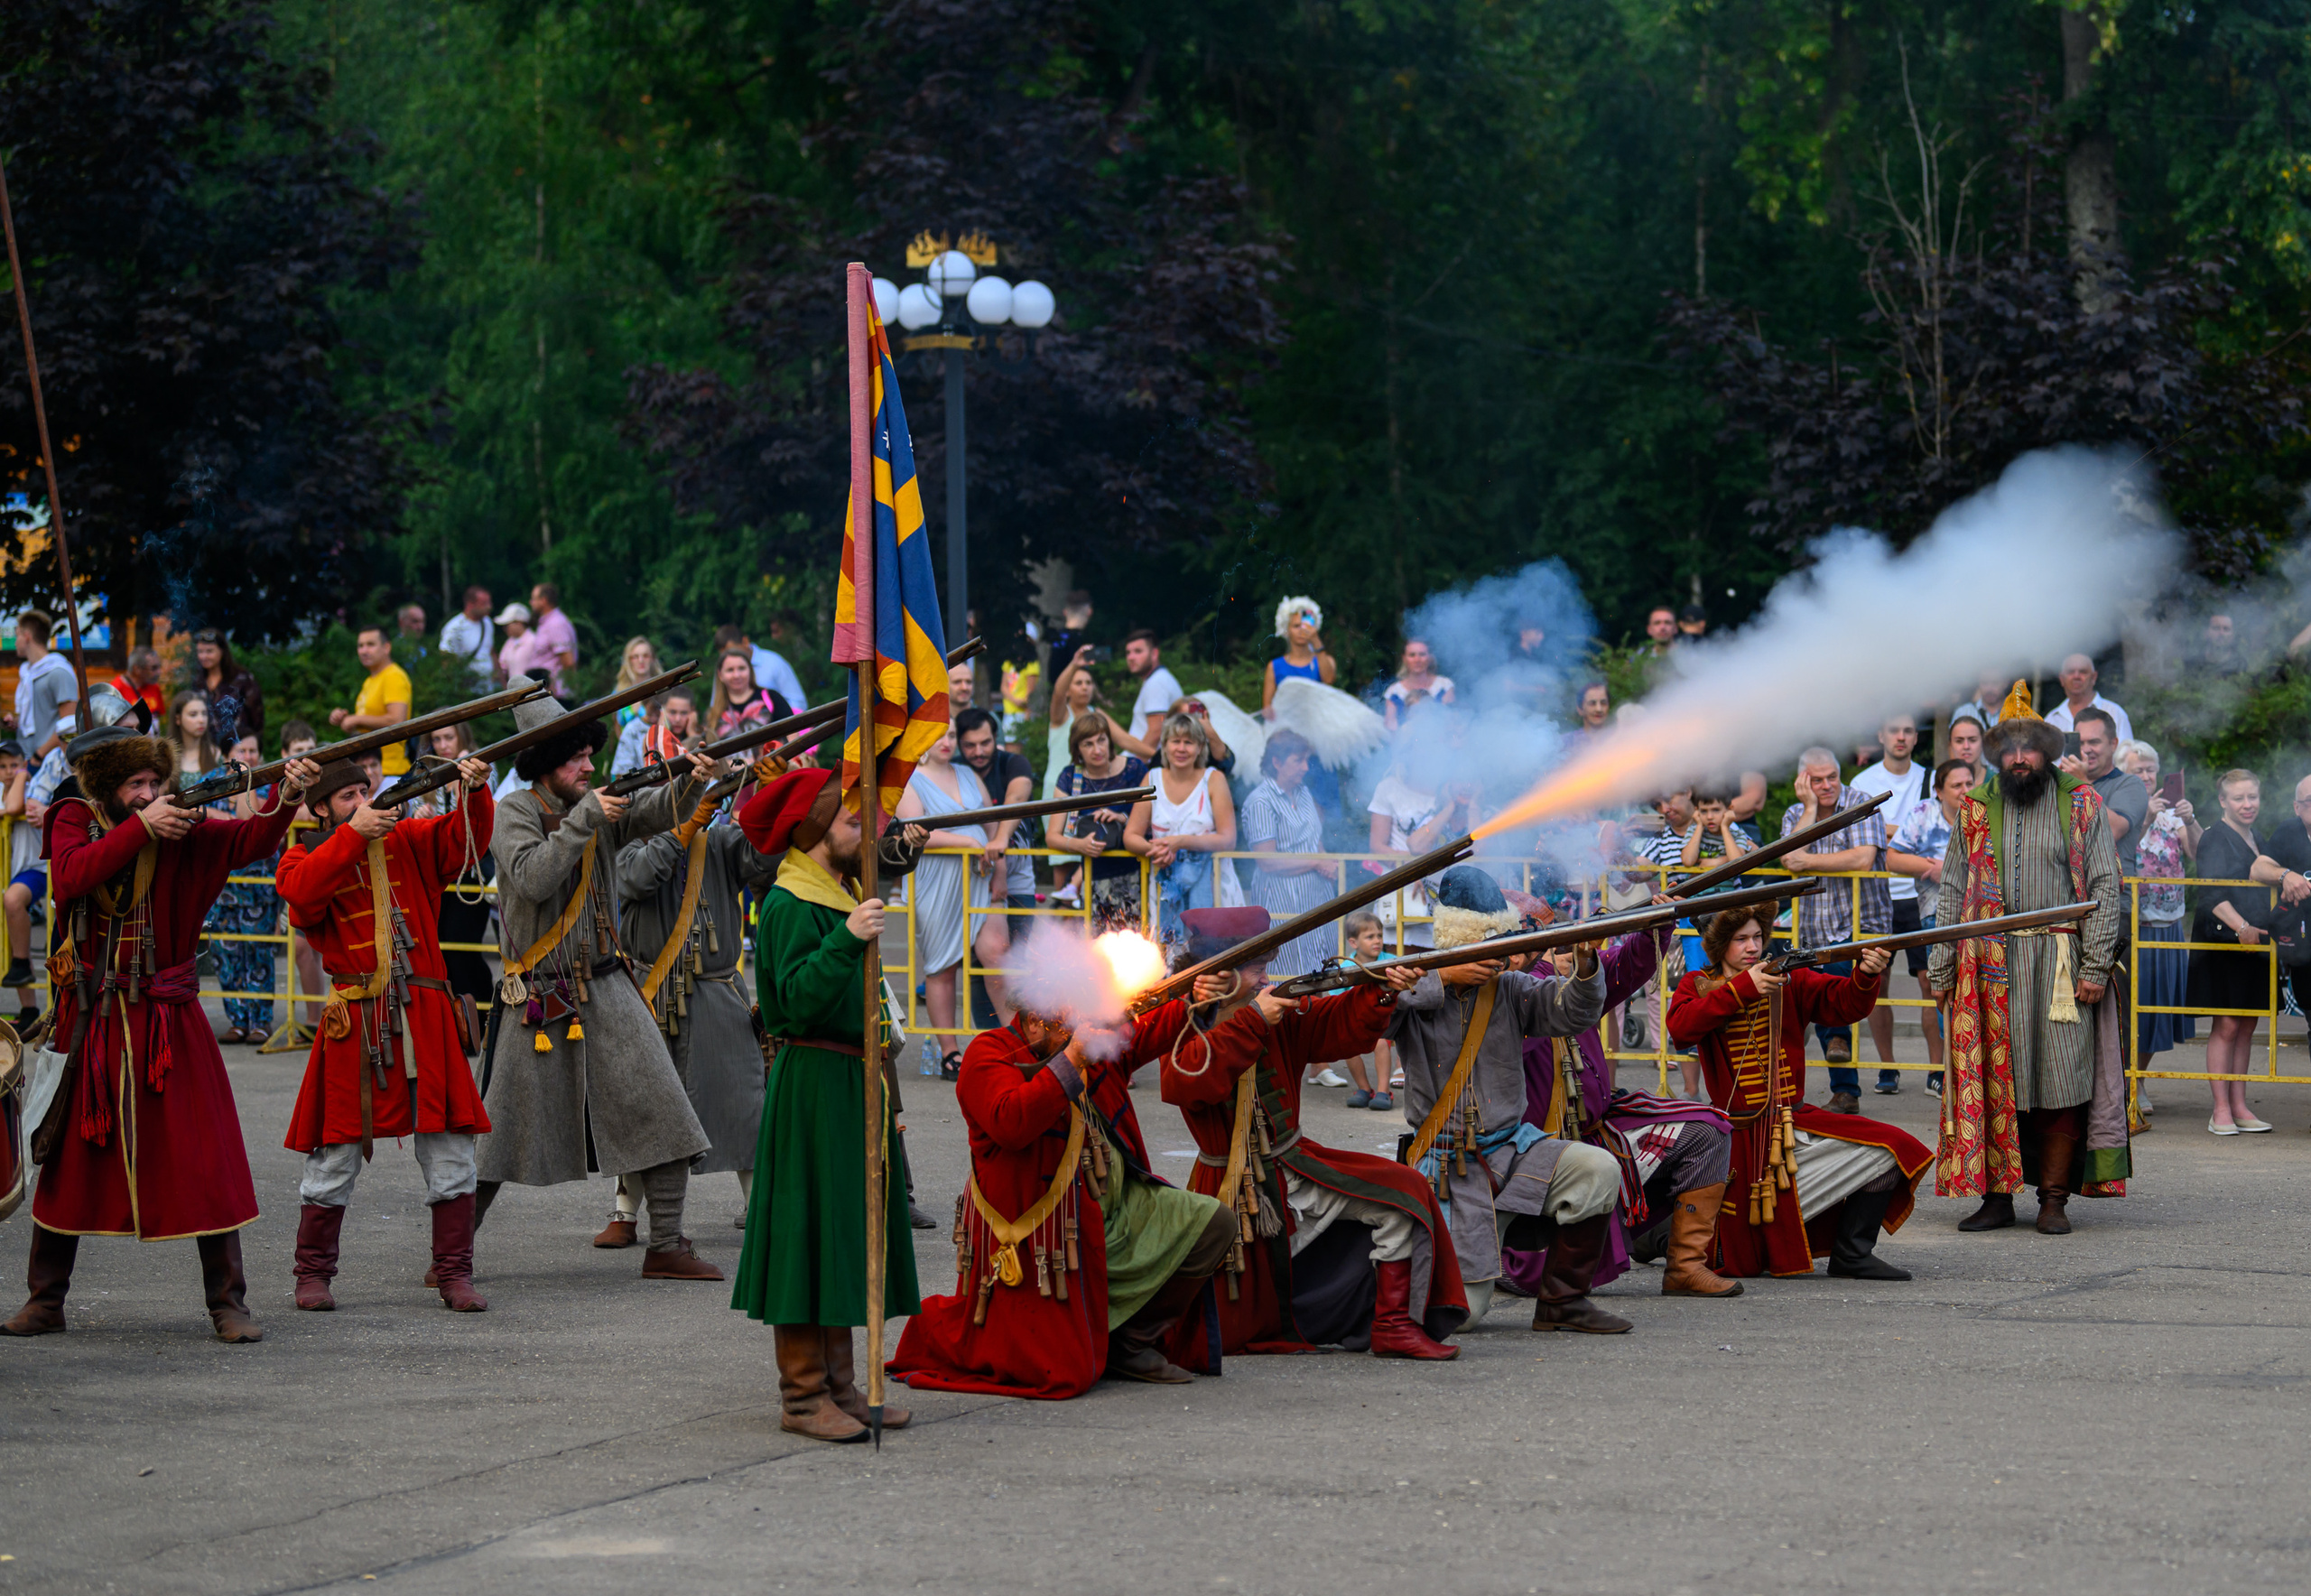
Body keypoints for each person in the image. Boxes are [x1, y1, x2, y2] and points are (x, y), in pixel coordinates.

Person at [1, 726, 320, 1340]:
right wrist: (140, 829)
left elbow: (248, 838)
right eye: (135, 784)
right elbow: (68, 878)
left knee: (203, 1159)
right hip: (95, 1017)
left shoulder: (185, 824)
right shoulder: (75, 816)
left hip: (169, 1018)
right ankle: (45, 1301)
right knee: (67, 1159)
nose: (150, 794)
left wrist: (285, 794)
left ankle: (229, 1303)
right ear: (107, 790)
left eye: (156, 782)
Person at [470, 687, 723, 1279]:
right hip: (538, 994)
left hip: (606, 981)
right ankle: (451, 1254)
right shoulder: (514, 812)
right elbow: (533, 877)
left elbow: (659, 811)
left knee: (663, 1109)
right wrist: (587, 817)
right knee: (499, 1136)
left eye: (589, 754)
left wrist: (696, 780)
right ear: (541, 765)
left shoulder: (594, 800)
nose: (588, 767)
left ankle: (666, 1246)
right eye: (574, 758)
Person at [1151, 907, 1464, 1362]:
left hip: (1288, 1164)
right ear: (1223, 972)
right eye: (1256, 968)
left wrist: (1380, 990)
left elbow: (1336, 1026)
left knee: (1407, 1191)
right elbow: (1186, 1083)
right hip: (1232, 1185)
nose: (1265, 978)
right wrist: (1253, 1020)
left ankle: (1393, 1326)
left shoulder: (1274, 1010)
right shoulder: (1185, 1021)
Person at [733, 766, 931, 1437]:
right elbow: (792, 1002)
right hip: (812, 1081)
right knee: (806, 1235)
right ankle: (801, 1397)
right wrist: (848, 938)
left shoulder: (836, 888)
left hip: (852, 1081)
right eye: (853, 822)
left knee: (845, 1231)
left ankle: (843, 1387)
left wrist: (905, 852)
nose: (865, 832)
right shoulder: (792, 902)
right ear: (816, 830)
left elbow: (880, 859)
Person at [276, 752, 495, 1313]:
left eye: (364, 792)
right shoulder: (304, 853)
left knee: (451, 1152)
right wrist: (351, 835)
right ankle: (313, 1275)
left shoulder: (407, 837)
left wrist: (473, 789)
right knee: (335, 1156)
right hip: (355, 1020)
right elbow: (301, 895)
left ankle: (454, 1275)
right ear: (321, 807)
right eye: (348, 798)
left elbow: (461, 840)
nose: (362, 803)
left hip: (423, 1015)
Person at [1382, 866, 1625, 1332]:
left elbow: (1573, 1012)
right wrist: (1445, 975)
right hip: (1450, 1166)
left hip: (1514, 1151)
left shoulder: (1512, 988)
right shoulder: (1417, 983)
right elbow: (1375, 1008)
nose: (1495, 961)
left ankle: (1562, 1302)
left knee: (1598, 1169)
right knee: (1463, 1317)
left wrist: (1587, 963)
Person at [1927, 684, 2127, 1235]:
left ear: (2045, 751)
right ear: (1996, 755)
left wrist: (2094, 967)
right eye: (2010, 749)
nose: (2020, 758)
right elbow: (1951, 890)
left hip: (2062, 964)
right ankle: (1997, 1198)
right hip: (1987, 970)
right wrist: (1942, 967)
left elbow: (2107, 888)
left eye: (2030, 748)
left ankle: (2054, 1198)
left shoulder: (2082, 802)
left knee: (2062, 1078)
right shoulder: (1974, 808)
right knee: (1998, 1079)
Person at [1666, 905, 1926, 1278]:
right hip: (1735, 1140)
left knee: (1892, 1151)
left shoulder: (1791, 980)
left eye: (1757, 937)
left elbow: (1844, 1003)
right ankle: (1662, 1235)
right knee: (1732, 1255)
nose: (1753, 947)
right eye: (1741, 939)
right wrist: (1743, 988)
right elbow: (1682, 1029)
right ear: (1721, 944)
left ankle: (1852, 1253)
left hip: (1793, 1124)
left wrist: (1866, 974)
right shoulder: (1698, 984)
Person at [1500, 917, 1742, 1300]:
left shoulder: (1579, 975)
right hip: (1536, 1146)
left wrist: (1655, 926)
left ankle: (1686, 1266)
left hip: (1599, 1128)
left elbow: (1628, 966)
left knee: (1708, 1132)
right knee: (1540, 1268)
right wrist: (1547, 966)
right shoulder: (1503, 994)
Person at [612, 764, 782, 1236]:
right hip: (647, 989)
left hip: (715, 990)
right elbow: (637, 880)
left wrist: (770, 793)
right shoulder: (626, 841)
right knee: (642, 1104)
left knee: (743, 1101)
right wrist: (687, 827)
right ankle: (624, 1213)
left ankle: (760, 1206)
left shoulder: (722, 840)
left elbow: (768, 862)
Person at [1779, 747, 1892, 1109]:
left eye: (1831, 777)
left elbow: (1862, 859)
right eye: (1817, 780)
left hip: (1862, 923)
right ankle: (1845, 1089)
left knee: (1832, 988)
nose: (1826, 785)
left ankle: (1845, 1085)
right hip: (1813, 926)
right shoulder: (1797, 813)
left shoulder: (1863, 803)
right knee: (1821, 993)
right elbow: (1786, 858)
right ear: (1804, 782)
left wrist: (1808, 861)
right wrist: (1810, 810)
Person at [2186, 771, 2292, 1137]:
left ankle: (2240, 1105)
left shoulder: (2256, 836)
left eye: (2253, 797)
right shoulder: (2215, 837)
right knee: (2227, 1024)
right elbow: (2211, 894)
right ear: (2223, 802)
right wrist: (2242, 928)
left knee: (2248, 1025)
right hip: (2226, 941)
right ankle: (2220, 1111)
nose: (2248, 805)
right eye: (2239, 799)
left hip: (2254, 942)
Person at [897, 725, 994, 1072]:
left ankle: (1009, 1041)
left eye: (952, 734)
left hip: (978, 876)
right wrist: (969, 842)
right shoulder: (909, 778)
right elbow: (915, 832)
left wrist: (992, 850)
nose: (947, 741)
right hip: (935, 879)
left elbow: (991, 820)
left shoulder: (967, 772)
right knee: (941, 967)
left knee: (996, 954)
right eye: (938, 734)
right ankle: (950, 1052)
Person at [1885, 758, 1977, 1096]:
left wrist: (1952, 870)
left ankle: (1973, 1071)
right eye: (1956, 785)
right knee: (1943, 991)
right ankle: (1951, 1072)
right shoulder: (1924, 813)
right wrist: (1932, 867)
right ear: (1939, 791)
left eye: (1969, 783)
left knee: (1977, 993)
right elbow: (1893, 858)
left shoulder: (1982, 813)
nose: (1965, 791)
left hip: (1981, 917)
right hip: (1935, 916)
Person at [1849, 715, 1930, 1096]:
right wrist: (1910, 831)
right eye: (1894, 730)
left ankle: (1936, 1069)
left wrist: (1885, 831)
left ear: (1916, 738)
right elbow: (1854, 831)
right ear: (1880, 735)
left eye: (1908, 731)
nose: (1901, 736)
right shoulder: (1862, 784)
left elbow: (1932, 828)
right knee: (1875, 983)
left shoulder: (1931, 778)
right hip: (1875, 892)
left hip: (1920, 892)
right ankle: (1887, 1067)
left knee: (1932, 982)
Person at [2121, 741, 2194, 1115]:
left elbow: (2200, 855)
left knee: (2155, 1010)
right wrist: (2144, 818)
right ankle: (2120, 1081)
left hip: (2169, 923)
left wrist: (2191, 820)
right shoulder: (2120, 810)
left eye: (2151, 770)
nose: (2147, 777)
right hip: (2133, 925)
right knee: (2130, 1010)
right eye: (2138, 770)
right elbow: (2117, 851)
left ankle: (2139, 1080)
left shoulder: (2173, 817)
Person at [1125, 712, 1237, 944]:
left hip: (1214, 886)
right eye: (1175, 741)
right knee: (1169, 955)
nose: (1182, 748)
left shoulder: (1214, 779)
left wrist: (1180, 842)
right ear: (1164, 746)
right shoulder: (1151, 778)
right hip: (1165, 887)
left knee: (1212, 953)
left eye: (1189, 742)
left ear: (1200, 748)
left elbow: (1228, 838)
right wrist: (1155, 849)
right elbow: (1131, 836)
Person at [956, 708, 1035, 1027]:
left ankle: (1028, 1039)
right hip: (970, 883)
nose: (978, 752)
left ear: (996, 738)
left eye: (985, 743)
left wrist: (999, 839)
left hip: (1017, 883)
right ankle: (988, 1041)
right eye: (970, 745)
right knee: (979, 966)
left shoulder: (1013, 762)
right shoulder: (957, 771)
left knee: (1021, 963)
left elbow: (1018, 797)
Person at [205, 730, 283, 1045]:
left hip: (260, 889)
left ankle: (260, 1023)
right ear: (227, 756)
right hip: (221, 888)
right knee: (227, 957)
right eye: (242, 750)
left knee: (259, 957)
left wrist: (240, 791)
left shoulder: (266, 780)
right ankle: (237, 1022)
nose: (249, 757)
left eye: (253, 750)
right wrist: (224, 815)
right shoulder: (210, 781)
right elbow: (197, 814)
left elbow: (251, 815)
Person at [1239, 730, 1334, 979]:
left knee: (1322, 969)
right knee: (1288, 974)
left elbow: (1315, 838)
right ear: (1277, 762)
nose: (1305, 767)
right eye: (1298, 760)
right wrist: (1316, 861)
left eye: (1306, 760)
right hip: (1281, 899)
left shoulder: (1303, 792)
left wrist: (1325, 859)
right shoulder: (1260, 801)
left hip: (1316, 895)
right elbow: (1266, 861)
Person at [1050, 714, 1152, 929]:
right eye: (1088, 744)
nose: (1097, 750)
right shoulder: (1071, 777)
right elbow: (1052, 836)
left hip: (1137, 873)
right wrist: (1078, 845)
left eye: (1101, 740)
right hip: (1094, 876)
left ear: (1110, 741)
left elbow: (1159, 818)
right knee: (1099, 950)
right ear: (1077, 748)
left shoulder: (1134, 769)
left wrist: (1123, 818)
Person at [2058, 708, 2146, 875]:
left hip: (2114, 895)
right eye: (2081, 743)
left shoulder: (2130, 784)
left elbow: (2112, 831)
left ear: (2113, 744)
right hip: (2069, 895)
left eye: (2094, 742)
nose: (2086, 749)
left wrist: (2080, 783)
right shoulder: (2064, 785)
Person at [329, 626, 413, 777]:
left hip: (390, 772)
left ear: (386, 647)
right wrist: (345, 719)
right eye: (360, 646)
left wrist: (356, 719)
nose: (364, 650)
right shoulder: (370, 680)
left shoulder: (393, 676)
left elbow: (397, 720)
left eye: (370, 644)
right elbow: (367, 727)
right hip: (371, 771)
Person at [1335, 911, 1396, 1109]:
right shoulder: (1346, 968)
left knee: (1380, 1044)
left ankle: (1383, 1092)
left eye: (1379, 935)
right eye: (1370, 937)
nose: (1377, 941)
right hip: (1358, 1024)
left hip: (1386, 1022)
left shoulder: (1392, 962)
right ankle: (1363, 1089)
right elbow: (1336, 998)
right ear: (1353, 943)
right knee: (1348, 1047)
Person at [0, 741, 40, 1021]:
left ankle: (22, 962)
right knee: (10, 938)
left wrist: (23, 776)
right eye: (2, 767)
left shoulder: (34, 788)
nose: (9, 771)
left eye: (15, 765)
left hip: (35, 869)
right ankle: (29, 1009)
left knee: (13, 900)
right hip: (8, 870)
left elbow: (14, 807)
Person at [13, 610, 79, 761]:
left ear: (27, 635)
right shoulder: (27, 674)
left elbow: (69, 724)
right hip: (25, 759)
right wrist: (15, 722)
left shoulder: (58, 672)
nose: (16, 641)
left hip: (49, 760)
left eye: (17, 635)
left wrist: (39, 756)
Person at [1262, 597, 1337, 720]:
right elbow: (1267, 709)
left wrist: (1316, 642)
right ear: (1287, 629)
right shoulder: (1274, 666)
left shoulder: (1324, 660)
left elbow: (1329, 679)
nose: (1302, 630)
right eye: (1296, 626)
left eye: (1306, 626)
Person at [190, 628, 265, 744]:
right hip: (208, 749)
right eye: (200, 651)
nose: (204, 656)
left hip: (240, 746)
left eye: (209, 651)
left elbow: (257, 718)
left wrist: (254, 745)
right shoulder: (198, 683)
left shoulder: (241, 679)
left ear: (222, 651)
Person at [711, 623, 806, 713]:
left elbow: (798, 703)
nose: (729, 657)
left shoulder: (774, 663)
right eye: (724, 654)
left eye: (733, 651)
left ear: (745, 641)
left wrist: (777, 719)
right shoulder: (723, 671)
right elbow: (716, 706)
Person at [2042, 653, 2133, 742]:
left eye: (2083, 672)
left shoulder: (2115, 714)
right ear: (2062, 679)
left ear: (2094, 678)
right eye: (2070, 672)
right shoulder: (2051, 721)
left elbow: (2126, 755)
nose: (2076, 676)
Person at [706, 647, 790, 738]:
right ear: (720, 675)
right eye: (730, 670)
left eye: (742, 668)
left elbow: (792, 735)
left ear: (750, 670)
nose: (736, 675)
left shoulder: (772, 698)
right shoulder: (713, 714)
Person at [1123, 628, 1184, 747]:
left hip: (1150, 762)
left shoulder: (1157, 682)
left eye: (1138, 651)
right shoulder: (1157, 679)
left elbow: (1156, 731)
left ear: (1154, 654)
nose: (1131, 657)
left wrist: (1137, 763)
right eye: (1128, 652)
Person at [1381, 637, 1455, 731]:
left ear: (1429, 657)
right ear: (1404, 658)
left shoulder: (1445, 686)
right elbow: (1391, 728)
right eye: (1412, 655)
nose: (1417, 660)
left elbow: (1450, 721)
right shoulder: (1393, 692)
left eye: (1422, 654)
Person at [526, 583, 579, 691]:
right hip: (550, 691)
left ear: (543, 600)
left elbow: (568, 662)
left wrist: (563, 690)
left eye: (534, 599)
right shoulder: (547, 623)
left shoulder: (555, 624)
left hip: (557, 694)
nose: (531, 603)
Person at [439, 586, 495, 686]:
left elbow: (491, 651)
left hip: (488, 687)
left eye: (489, 602)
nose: (489, 607)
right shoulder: (455, 628)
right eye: (484, 603)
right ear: (470, 604)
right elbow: (446, 658)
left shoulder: (487, 622)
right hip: (467, 689)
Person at [167, 690, 219, 780]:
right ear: (178, 719)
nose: (201, 720)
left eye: (204, 714)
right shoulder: (167, 758)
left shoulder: (216, 754)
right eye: (193, 714)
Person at [108, 645, 165, 724]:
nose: (159, 672)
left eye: (159, 667)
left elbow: (160, 717)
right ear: (137, 669)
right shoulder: (116, 690)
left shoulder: (154, 687)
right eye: (154, 668)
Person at [613, 636, 661, 728]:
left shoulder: (664, 687)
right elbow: (617, 728)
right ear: (628, 661)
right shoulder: (619, 691)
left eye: (645, 656)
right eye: (635, 657)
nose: (641, 660)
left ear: (652, 659)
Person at [492, 601, 534, 684]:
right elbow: (502, 665)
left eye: (507, 625)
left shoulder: (533, 641)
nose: (505, 629)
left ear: (519, 623)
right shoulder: (509, 643)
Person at [1945, 713, 1986, 780]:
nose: (1966, 746)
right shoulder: (1940, 782)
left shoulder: (1997, 782)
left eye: (1972, 740)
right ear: (1950, 746)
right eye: (1959, 741)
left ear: (1983, 744)